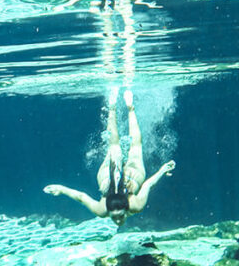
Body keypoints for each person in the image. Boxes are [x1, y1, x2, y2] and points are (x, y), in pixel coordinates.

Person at [45, 88, 175, 225]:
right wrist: (162, 170)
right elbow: (147, 184)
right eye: (117, 217)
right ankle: (127, 107)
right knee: (133, 146)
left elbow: (81, 197)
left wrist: (61, 189)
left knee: (116, 146)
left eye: (118, 216)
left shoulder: (103, 210)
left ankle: (114, 107)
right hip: (133, 177)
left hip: (107, 178)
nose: (118, 221)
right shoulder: (136, 205)